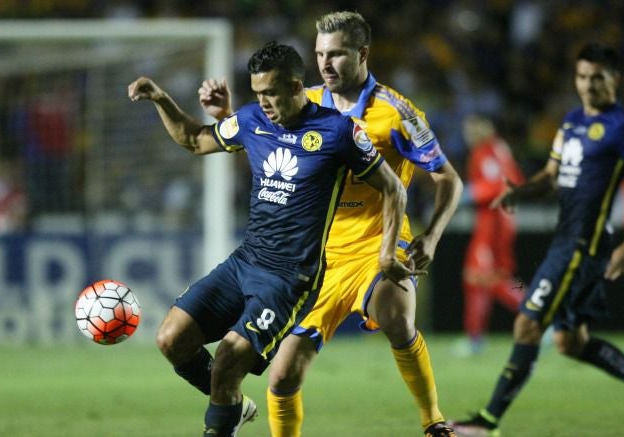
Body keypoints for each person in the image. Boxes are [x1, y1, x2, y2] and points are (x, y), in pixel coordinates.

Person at [128, 41, 417, 437]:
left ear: (297, 87)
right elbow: (195, 140)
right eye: (258, 93)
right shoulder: (250, 120)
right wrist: (161, 98)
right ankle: (234, 405)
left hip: (290, 278)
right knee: (171, 339)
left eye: (271, 93)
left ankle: (222, 417)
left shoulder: (338, 132)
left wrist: (387, 252)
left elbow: (393, 189)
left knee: (229, 358)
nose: (263, 102)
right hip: (245, 262)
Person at [198, 12, 462, 437]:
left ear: (362, 54)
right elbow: (264, 143)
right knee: (282, 376)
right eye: (320, 54)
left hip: (379, 245)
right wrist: (228, 114)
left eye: (336, 54)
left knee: (396, 315)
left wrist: (431, 236)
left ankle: (433, 421)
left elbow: (448, 178)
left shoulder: (397, 113)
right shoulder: (303, 101)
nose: (325, 63)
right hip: (315, 259)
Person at [449, 42, 624, 437]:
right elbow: (550, 176)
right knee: (571, 343)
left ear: (615, 79)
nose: (588, 84)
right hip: (566, 240)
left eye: (597, 77)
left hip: (583, 245)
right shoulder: (572, 122)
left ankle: (485, 422)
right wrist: (517, 192)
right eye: (582, 76)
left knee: (527, 324)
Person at [453, 114, 524, 357]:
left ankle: (540, 317)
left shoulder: (485, 152)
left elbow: (494, 185)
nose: (469, 135)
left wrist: (467, 193)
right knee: (490, 276)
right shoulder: (500, 148)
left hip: (492, 221)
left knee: (486, 277)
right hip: (503, 218)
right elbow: (515, 180)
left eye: (473, 129)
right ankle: (475, 337)